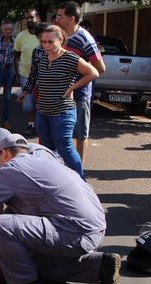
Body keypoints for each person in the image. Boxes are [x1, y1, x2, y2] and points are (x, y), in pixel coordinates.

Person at [0, 133, 121, 284]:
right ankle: (100, 266)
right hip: (95, 224)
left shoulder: (9, 169)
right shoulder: (41, 154)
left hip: (76, 231)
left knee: (1, 226)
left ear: (5, 154)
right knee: (26, 261)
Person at [34, 25, 98, 179]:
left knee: (65, 148)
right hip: (42, 112)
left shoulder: (70, 58)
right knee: (48, 150)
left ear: (60, 40)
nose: (46, 45)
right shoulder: (43, 57)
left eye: (50, 42)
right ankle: (55, 181)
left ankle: (80, 182)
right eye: (43, 42)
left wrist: (72, 88)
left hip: (62, 112)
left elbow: (93, 72)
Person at [55, 1, 106, 166]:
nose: (57, 19)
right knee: (63, 133)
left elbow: (100, 68)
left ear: (71, 18)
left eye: (60, 16)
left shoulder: (84, 38)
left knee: (80, 135)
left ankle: (78, 172)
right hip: (61, 94)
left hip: (79, 95)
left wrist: (76, 82)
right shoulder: (61, 36)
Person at [18, 22, 49, 131]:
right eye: (38, 37)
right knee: (42, 125)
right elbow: (33, 74)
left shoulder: (58, 51)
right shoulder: (37, 51)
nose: (41, 39)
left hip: (57, 96)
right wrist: (25, 92)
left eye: (42, 36)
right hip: (41, 92)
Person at [14, 9, 41, 136]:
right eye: (27, 18)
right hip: (25, 75)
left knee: (42, 101)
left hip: (44, 76)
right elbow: (16, 56)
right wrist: (17, 75)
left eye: (31, 17)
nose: (29, 20)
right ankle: (31, 125)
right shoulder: (20, 36)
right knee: (28, 103)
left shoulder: (45, 35)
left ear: (38, 18)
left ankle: (42, 126)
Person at [0, 20, 16, 130]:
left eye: (10, 29)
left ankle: (5, 121)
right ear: (2, 29)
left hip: (9, 69)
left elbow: (17, 57)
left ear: (12, 30)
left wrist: (17, 72)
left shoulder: (15, 41)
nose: (8, 31)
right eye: (6, 29)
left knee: (7, 97)